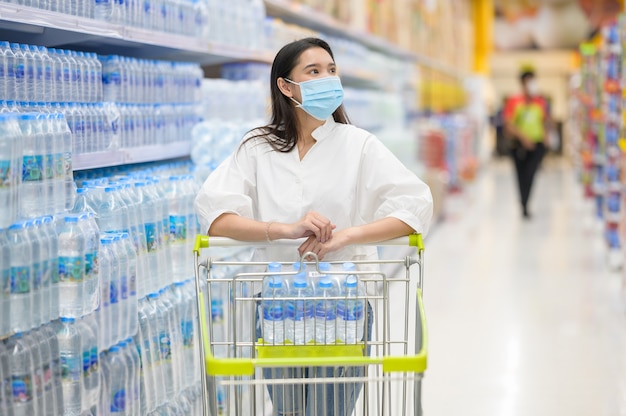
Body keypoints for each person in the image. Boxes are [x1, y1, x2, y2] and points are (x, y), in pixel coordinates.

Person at [195, 37, 433, 416]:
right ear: (286, 87)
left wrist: (349, 236)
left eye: (332, 70)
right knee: (287, 409)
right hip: (276, 302)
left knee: (330, 409)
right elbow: (216, 217)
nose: (328, 79)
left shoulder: (359, 145)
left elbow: (416, 205)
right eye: (314, 71)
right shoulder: (257, 147)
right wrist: (284, 229)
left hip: (344, 304)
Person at [504, 68, 549, 219]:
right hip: (519, 146)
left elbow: (544, 121)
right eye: (529, 80)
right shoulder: (514, 101)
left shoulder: (540, 101)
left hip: (536, 145)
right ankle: (523, 203)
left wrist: (545, 136)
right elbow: (508, 124)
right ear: (523, 83)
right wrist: (523, 138)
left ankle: (526, 203)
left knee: (531, 175)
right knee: (521, 176)